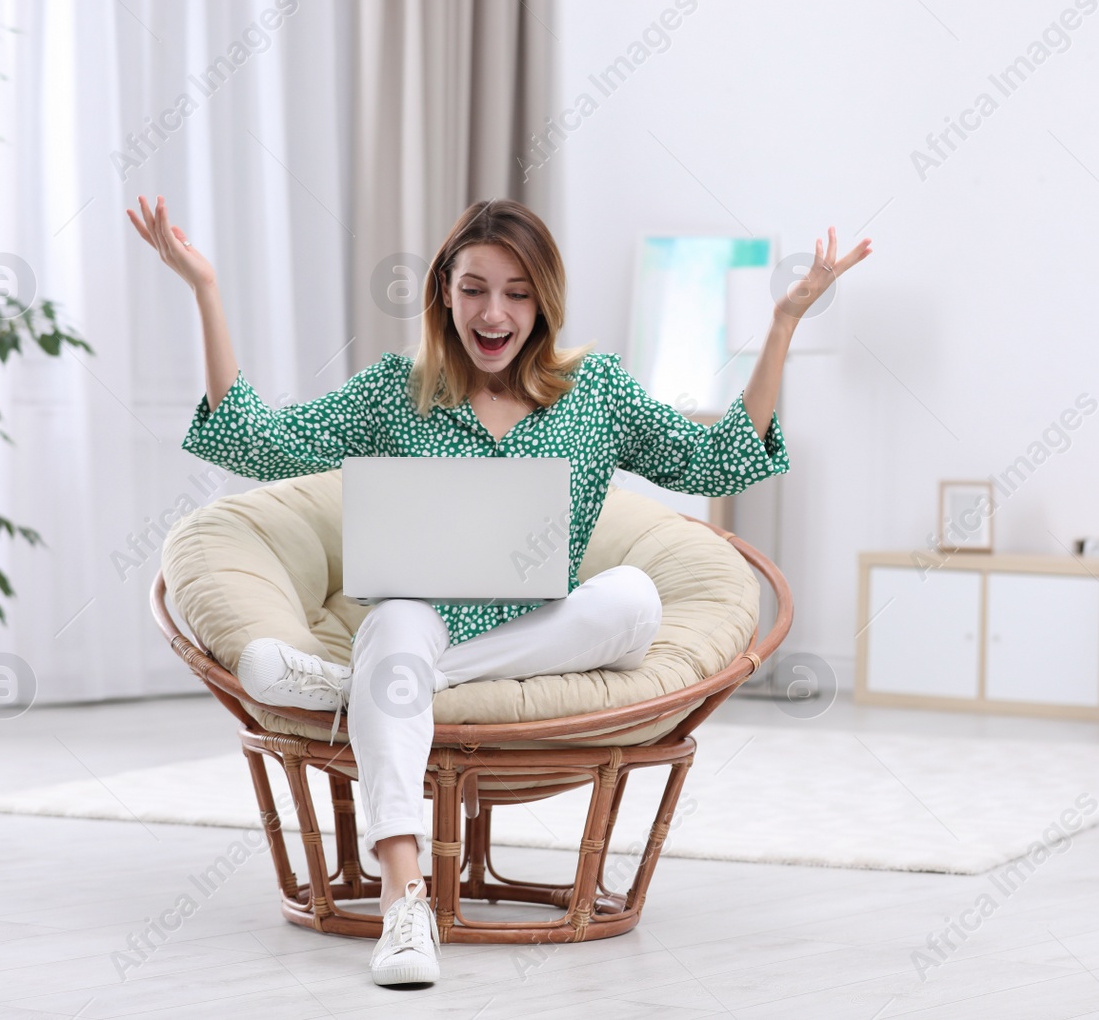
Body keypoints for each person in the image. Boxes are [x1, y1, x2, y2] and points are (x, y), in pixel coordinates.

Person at [126, 195, 870, 987]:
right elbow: (256, 442)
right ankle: (403, 900)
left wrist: (785, 321)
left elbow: (717, 462)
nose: (494, 311)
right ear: (443, 290)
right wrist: (204, 288)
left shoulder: (597, 393)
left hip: (549, 621)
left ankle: (357, 687)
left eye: (517, 292)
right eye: (475, 287)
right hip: (419, 616)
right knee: (399, 631)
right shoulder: (394, 392)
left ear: (543, 302)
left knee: (635, 600)